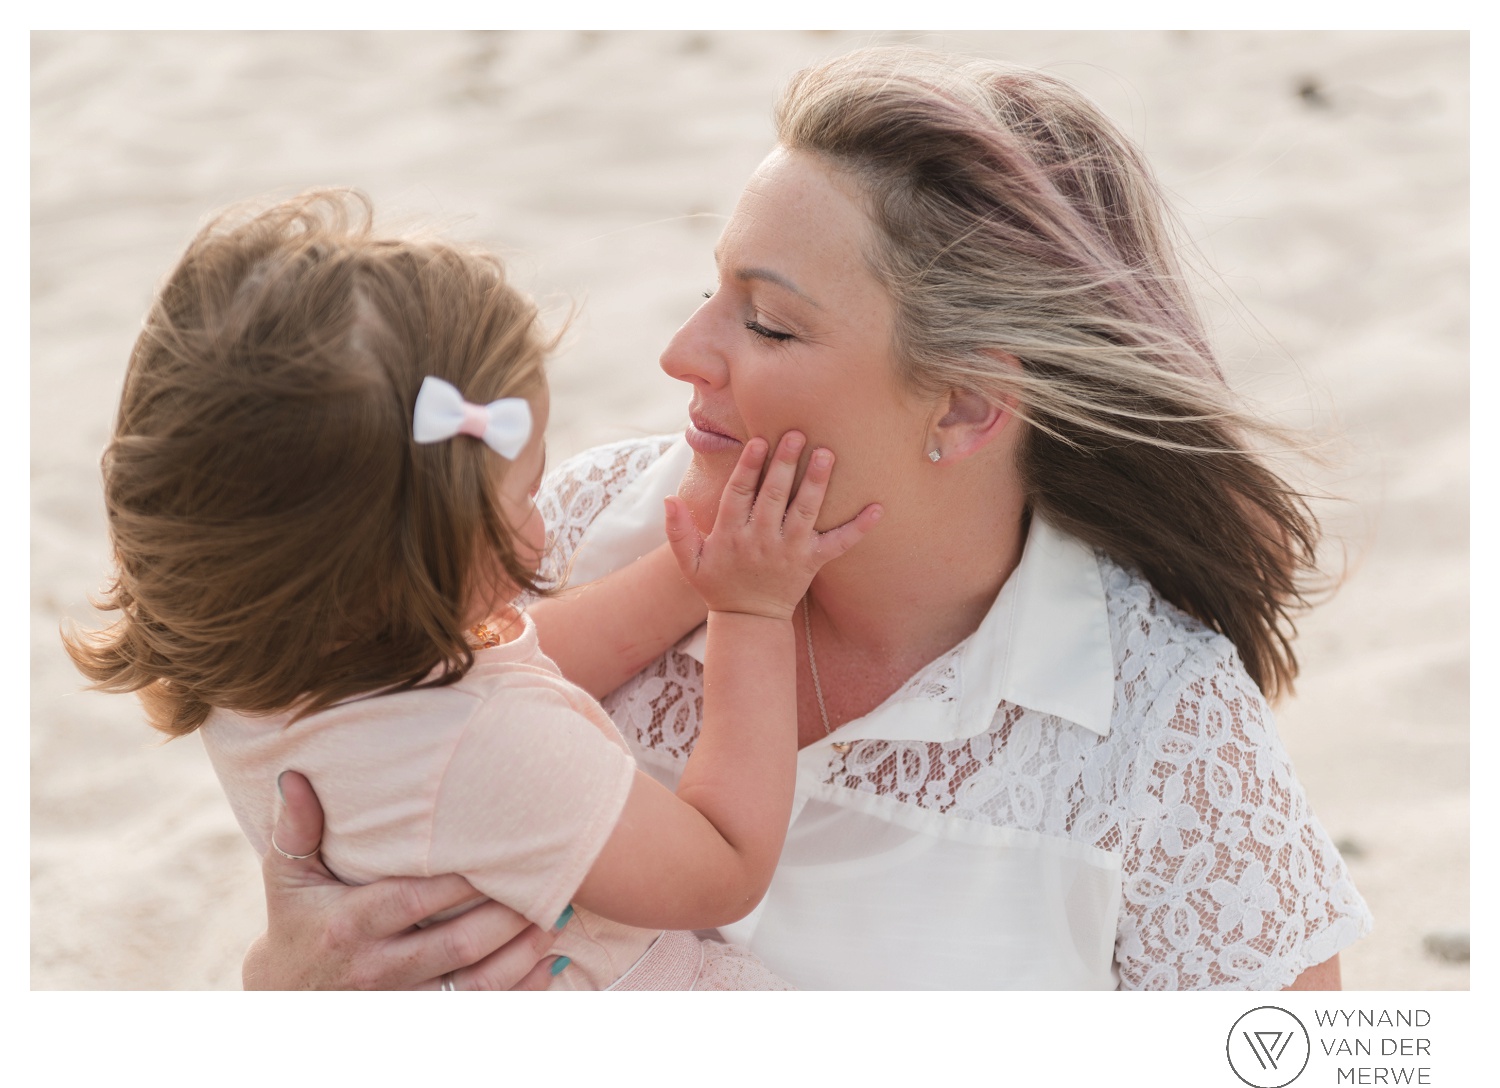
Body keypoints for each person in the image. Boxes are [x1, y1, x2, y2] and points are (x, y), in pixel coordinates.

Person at [248, 45, 1373, 990]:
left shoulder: (1161, 735)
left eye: (770, 325)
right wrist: (287, 987)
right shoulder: (572, 529)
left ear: (970, 404)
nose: (683, 354)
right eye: (711, 291)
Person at [64, 188, 884, 990]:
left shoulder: (273, 675)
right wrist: (751, 609)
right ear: (420, 559)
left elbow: (522, 666)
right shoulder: (487, 751)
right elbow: (723, 864)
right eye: (527, 495)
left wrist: (692, 573)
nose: (543, 525)